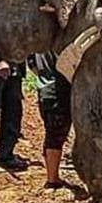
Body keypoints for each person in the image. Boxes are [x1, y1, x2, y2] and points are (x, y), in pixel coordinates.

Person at [28, 52, 72, 189]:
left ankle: (53, 175)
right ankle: (52, 179)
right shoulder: (59, 47)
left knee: (51, 133)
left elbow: (31, 64)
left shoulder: (39, 48)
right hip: (58, 92)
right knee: (56, 135)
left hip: (44, 91)